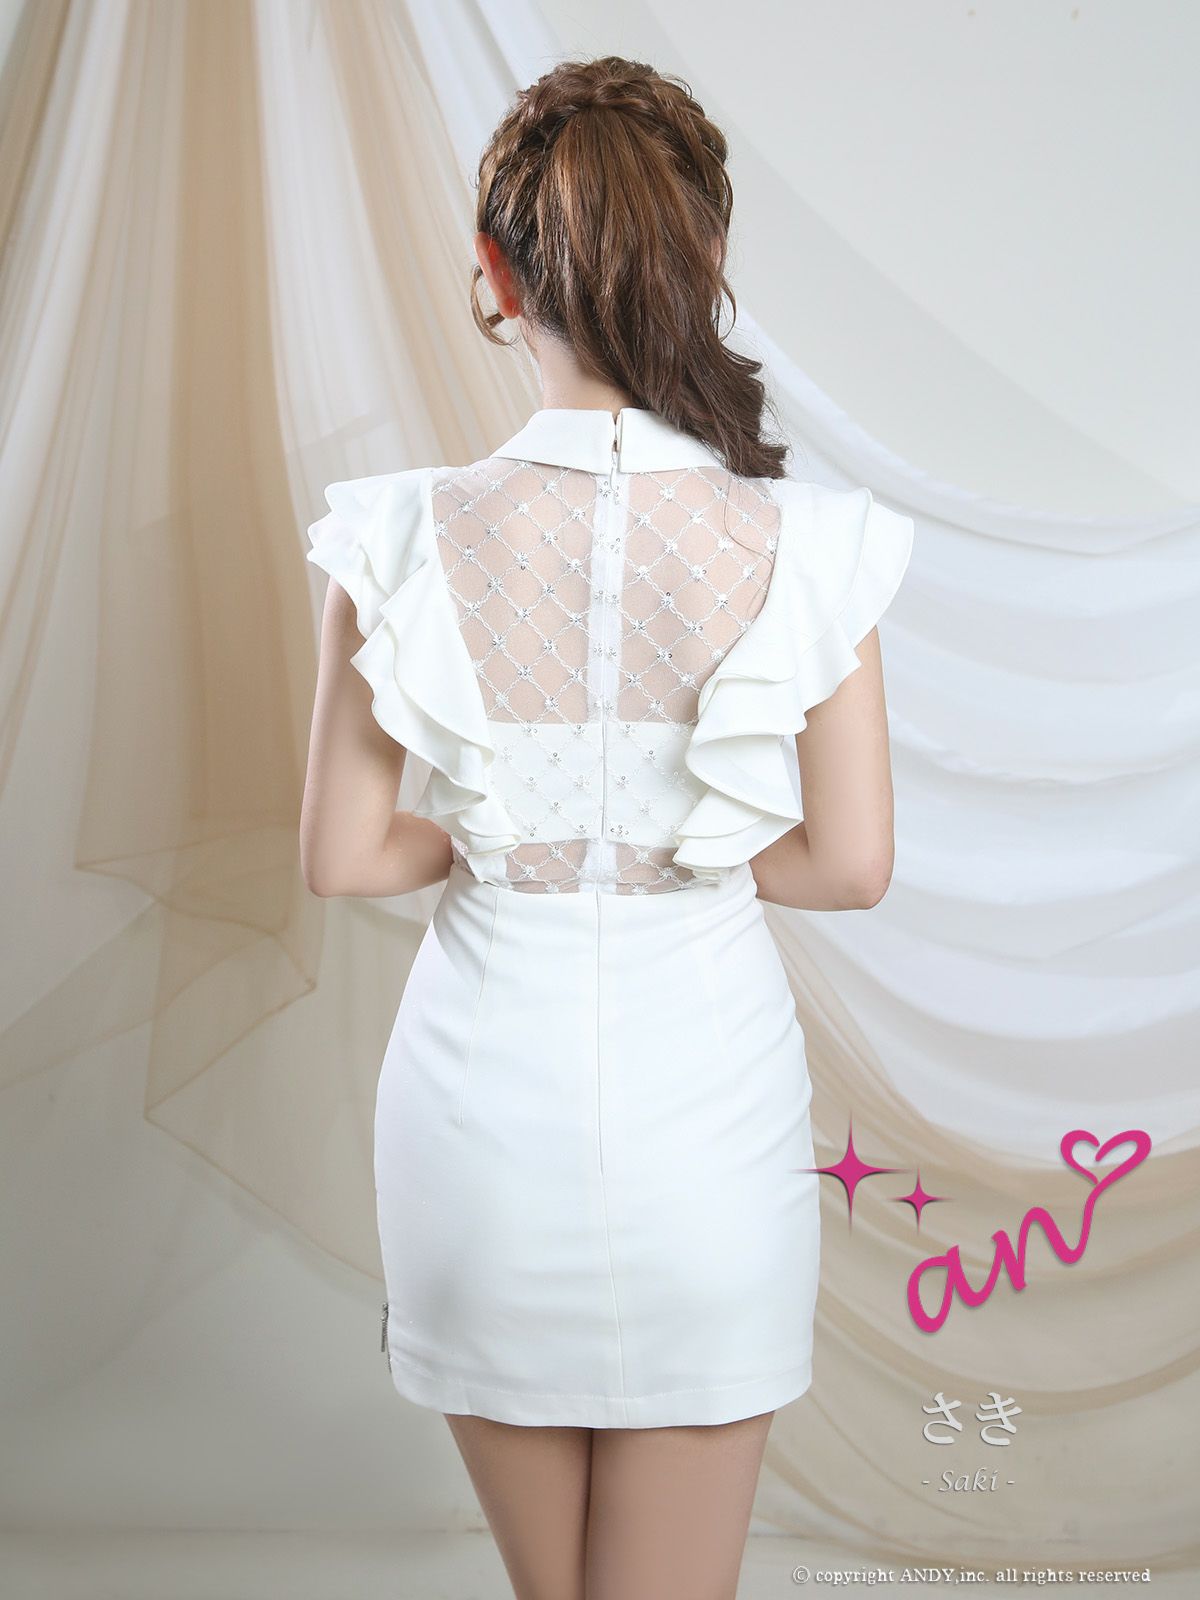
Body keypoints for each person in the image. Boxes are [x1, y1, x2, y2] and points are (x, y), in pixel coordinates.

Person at [301, 53, 913, 1600]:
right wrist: (678, 838)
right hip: (707, 1130)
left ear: (497, 275)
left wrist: (508, 831)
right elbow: (850, 864)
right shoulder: (811, 546)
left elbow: (347, 856)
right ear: (702, 262)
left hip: (473, 1138)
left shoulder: (396, 535)